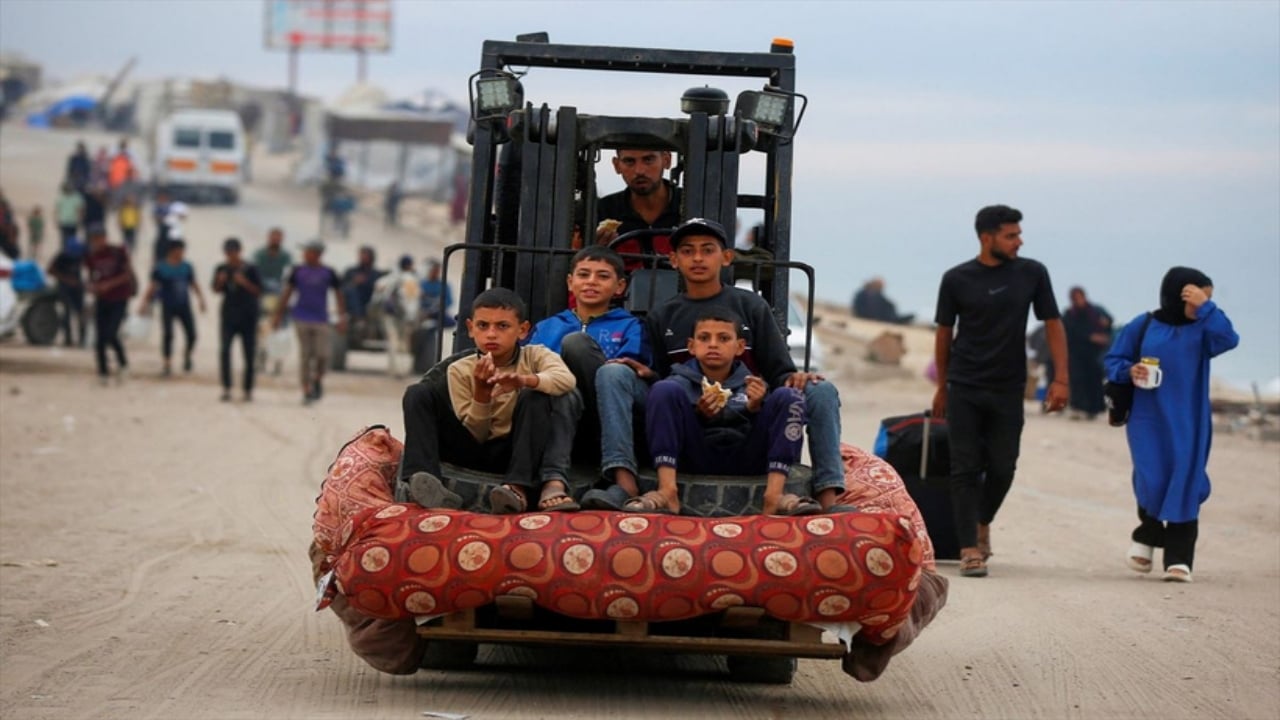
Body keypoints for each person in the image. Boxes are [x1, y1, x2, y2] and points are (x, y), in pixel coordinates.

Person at [599, 218, 845, 514]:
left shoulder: (751, 306)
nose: (698, 258)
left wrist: (786, 384)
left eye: (708, 250)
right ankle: (625, 483)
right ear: (674, 260)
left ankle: (829, 494)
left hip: (749, 424)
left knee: (822, 390)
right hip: (690, 430)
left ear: (726, 257)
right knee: (615, 374)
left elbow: (779, 371)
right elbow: (664, 387)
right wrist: (647, 374)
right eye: (688, 251)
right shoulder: (662, 315)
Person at [932, 204, 1069, 578]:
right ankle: (968, 549)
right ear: (986, 237)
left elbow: (1053, 323)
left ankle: (981, 521)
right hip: (964, 385)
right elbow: (944, 334)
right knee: (964, 468)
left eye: (1018, 234)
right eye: (1011, 235)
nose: (1019, 241)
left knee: (1003, 467)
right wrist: (942, 387)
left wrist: (1061, 379)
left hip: (1009, 386)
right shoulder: (956, 279)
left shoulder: (1032, 273)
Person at [1106, 267, 1238, 583]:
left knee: (1186, 479)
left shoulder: (1205, 329)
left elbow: (1229, 339)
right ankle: (1148, 535)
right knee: (1151, 477)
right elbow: (1114, 361)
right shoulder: (1144, 324)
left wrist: (1206, 308)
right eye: (1197, 296)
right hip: (1146, 417)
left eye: (1208, 297)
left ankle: (1179, 559)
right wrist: (1130, 370)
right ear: (1178, 296)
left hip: (1188, 418)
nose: (1203, 302)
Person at [399, 287, 582, 513]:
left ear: (523, 330)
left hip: (518, 452)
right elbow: (476, 434)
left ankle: (517, 488)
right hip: (473, 445)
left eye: (502, 326)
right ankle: (423, 481)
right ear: (470, 329)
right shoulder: (460, 369)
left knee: (535, 396)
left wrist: (524, 380)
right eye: (483, 326)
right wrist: (482, 394)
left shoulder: (536, 355)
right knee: (416, 393)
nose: (491, 334)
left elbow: (566, 381)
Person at [644, 310, 811, 516]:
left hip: (748, 457)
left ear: (740, 347)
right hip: (696, 457)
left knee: (790, 397)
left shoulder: (752, 383)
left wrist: (755, 408)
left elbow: (773, 428)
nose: (713, 344)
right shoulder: (678, 382)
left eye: (724, 338)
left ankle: (774, 494)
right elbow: (673, 423)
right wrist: (699, 413)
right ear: (691, 346)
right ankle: (667, 490)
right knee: (662, 390)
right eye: (704, 338)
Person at [525, 246, 649, 506]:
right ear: (571, 282)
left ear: (620, 286)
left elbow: (635, 369)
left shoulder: (630, 325)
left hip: (612, 414)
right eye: (584, 274)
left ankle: (623, 478)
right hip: (564, 413)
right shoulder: (547, 327)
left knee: (590, 355)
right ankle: (553, 480)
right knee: (557, 388)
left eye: (603, 276)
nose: (591, 281)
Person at [271, 239, 346, 404]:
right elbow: (287, 293)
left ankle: (317, 378)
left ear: (317, 254)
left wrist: (342, 317)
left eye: (308, 251)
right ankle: (306, 389)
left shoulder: (329, 272)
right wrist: (277, 315)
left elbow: (339, 294)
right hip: (301, 317)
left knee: (323, 355)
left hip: (321, 318)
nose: (304, 255)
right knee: (306, 355)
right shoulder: (297, 271)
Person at [594, 148, 683, 265]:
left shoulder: (693, 204)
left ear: (666, 160)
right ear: (616, 165)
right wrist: (595, 252)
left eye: (648, 160)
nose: (639, 171)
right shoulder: (601, 211)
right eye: (629, 161)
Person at [139, 240, 206, 376]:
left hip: (184, 305)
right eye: (179, 250)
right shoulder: (161, 268)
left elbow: (193, 283)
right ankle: (167, 363)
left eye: (182, 250)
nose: (181, 253)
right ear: (171, 251)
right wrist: (144, 303)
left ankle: (187, 355)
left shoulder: (187, 267)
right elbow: (152, 286)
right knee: (168, 334)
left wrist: (201, 300)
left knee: (192, 335)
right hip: (167, 305)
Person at [83, 223, 136, 384]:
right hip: (102, 299)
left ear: (105, 238)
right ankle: (103, 372)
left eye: (99, 238)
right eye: (94, 239)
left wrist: (109, 284)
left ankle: (123, 363)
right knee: (99, 337)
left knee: (111, 332)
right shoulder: (91, 256)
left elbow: (127, 275)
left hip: (120, 297)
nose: (97, 242)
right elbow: (91, 276)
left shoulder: (117, 252)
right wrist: (92, 286)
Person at [212, 238, 262, 402]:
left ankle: (248, 389)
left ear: (239, 252)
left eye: (233, 252)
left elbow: (259, 290)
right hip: (229, 315)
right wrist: (221, 281)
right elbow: (216, 290)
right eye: (228, 253)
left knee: (249, 354)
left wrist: (244, 282)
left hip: (248, 316)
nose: (230, 256)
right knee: (225, 351)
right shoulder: (222, 269)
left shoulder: (250, 269)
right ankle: (227, 387)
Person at [1062, 286, 1113, 419]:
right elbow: (1069, 331)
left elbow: (1109, 322)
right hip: (1076, 353)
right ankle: (1078, 408)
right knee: (1078, 380)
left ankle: (1093, 409)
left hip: (1094, 353)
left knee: (1094, 380)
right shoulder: (1070, 314)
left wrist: (1104, 327)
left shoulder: (1095, 311)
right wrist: (1089, 337)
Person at [369, 254, 421, 378]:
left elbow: (377, 294)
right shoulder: (410, 279)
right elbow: (413, 300)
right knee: (403, 343)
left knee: (393, 341)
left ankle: (394, 369)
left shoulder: (389, 278)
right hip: (403, 316)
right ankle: (401, 370)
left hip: (388, 314)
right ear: (409, 265)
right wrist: (412, 316)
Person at [47, 237, 86, 347]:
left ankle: (82, 339)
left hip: (77, 287)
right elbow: (50, 270)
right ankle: (68, 339)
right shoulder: (62, 256)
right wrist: (66, 279)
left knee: (80, 312)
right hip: (64, 287)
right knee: (67, 312)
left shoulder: (81, 255)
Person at [340, 245, 383, 321]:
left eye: (366, 256)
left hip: (371, 308)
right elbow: (341, 289)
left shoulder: (376, 274)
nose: (363, 258)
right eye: (362, 255)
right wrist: (354, 282)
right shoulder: (351, 272)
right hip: (353, 310)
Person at [54, 182, 84, 248]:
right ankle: (64, 253)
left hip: (73, 222)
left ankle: (71, 252)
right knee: (63, 239)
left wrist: (80, 220)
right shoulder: (61, 197)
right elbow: (57, 210)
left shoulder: (76, 197)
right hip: (63, 221)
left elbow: (80, 210)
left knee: (72, 239)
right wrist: (56, 220)